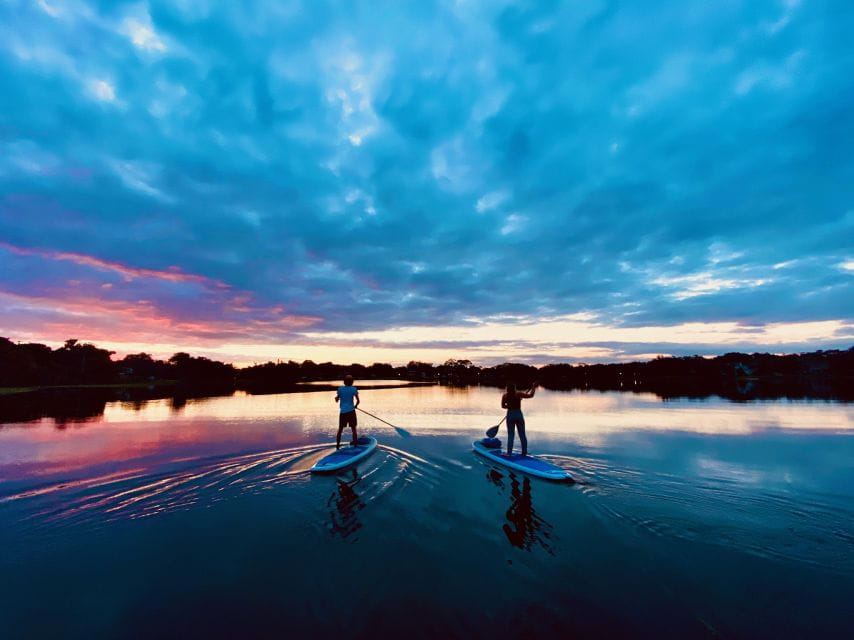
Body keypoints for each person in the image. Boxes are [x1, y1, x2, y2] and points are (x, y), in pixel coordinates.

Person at [501, 381, 537, 457]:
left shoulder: (505, 396)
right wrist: (533, 387)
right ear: (514, 388)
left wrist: (510, 406)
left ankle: (509, 453)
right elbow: (531, 395)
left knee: (511, 435)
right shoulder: (518, 394)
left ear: (507, 389)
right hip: (518, 414)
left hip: (510, 414)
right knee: (522, 435)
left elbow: (503, 406)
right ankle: (524, 453)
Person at [334, 374, 360, 449]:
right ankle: (355, 445)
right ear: (352, 382)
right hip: (351, 411)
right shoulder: (354, 389)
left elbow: (337, 399)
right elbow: (358, 401)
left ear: (344, 382)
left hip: (343, 412)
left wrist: (336, 398)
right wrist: (355, 405)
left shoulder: (340, 389)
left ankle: (337, 446)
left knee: (340, 429)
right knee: (353, 429)